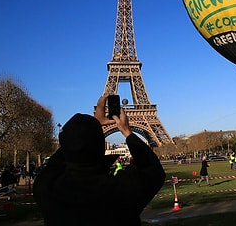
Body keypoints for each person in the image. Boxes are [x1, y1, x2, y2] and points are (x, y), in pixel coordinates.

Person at [33, 95, 165, 226]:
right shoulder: (120, 191)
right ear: (100, 146)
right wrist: (127, 132)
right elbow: (153, 170)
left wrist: (91, 127)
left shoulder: (47, 189)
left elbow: (62, 156)